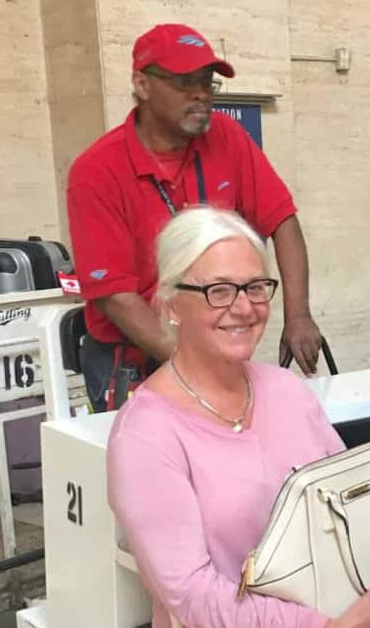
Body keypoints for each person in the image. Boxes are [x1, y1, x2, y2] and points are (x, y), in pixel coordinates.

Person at [107, 208, 370, 628]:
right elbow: (192, 593)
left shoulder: (285, 390)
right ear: (171, 305)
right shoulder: (146, 434)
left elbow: (360, 507)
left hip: (341, 600)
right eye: (218, 290)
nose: (244, 307)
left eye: (256, 287)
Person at [68, 23, 322, 412]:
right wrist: (195, 362)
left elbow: (282, 220)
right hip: (134, 355)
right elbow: (116, 298)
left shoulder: (228, 137)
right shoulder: (96, 170)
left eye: (207, 83)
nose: (202, 94)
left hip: (211, 342)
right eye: (186, 83)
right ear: (142, 84)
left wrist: (298, 314)